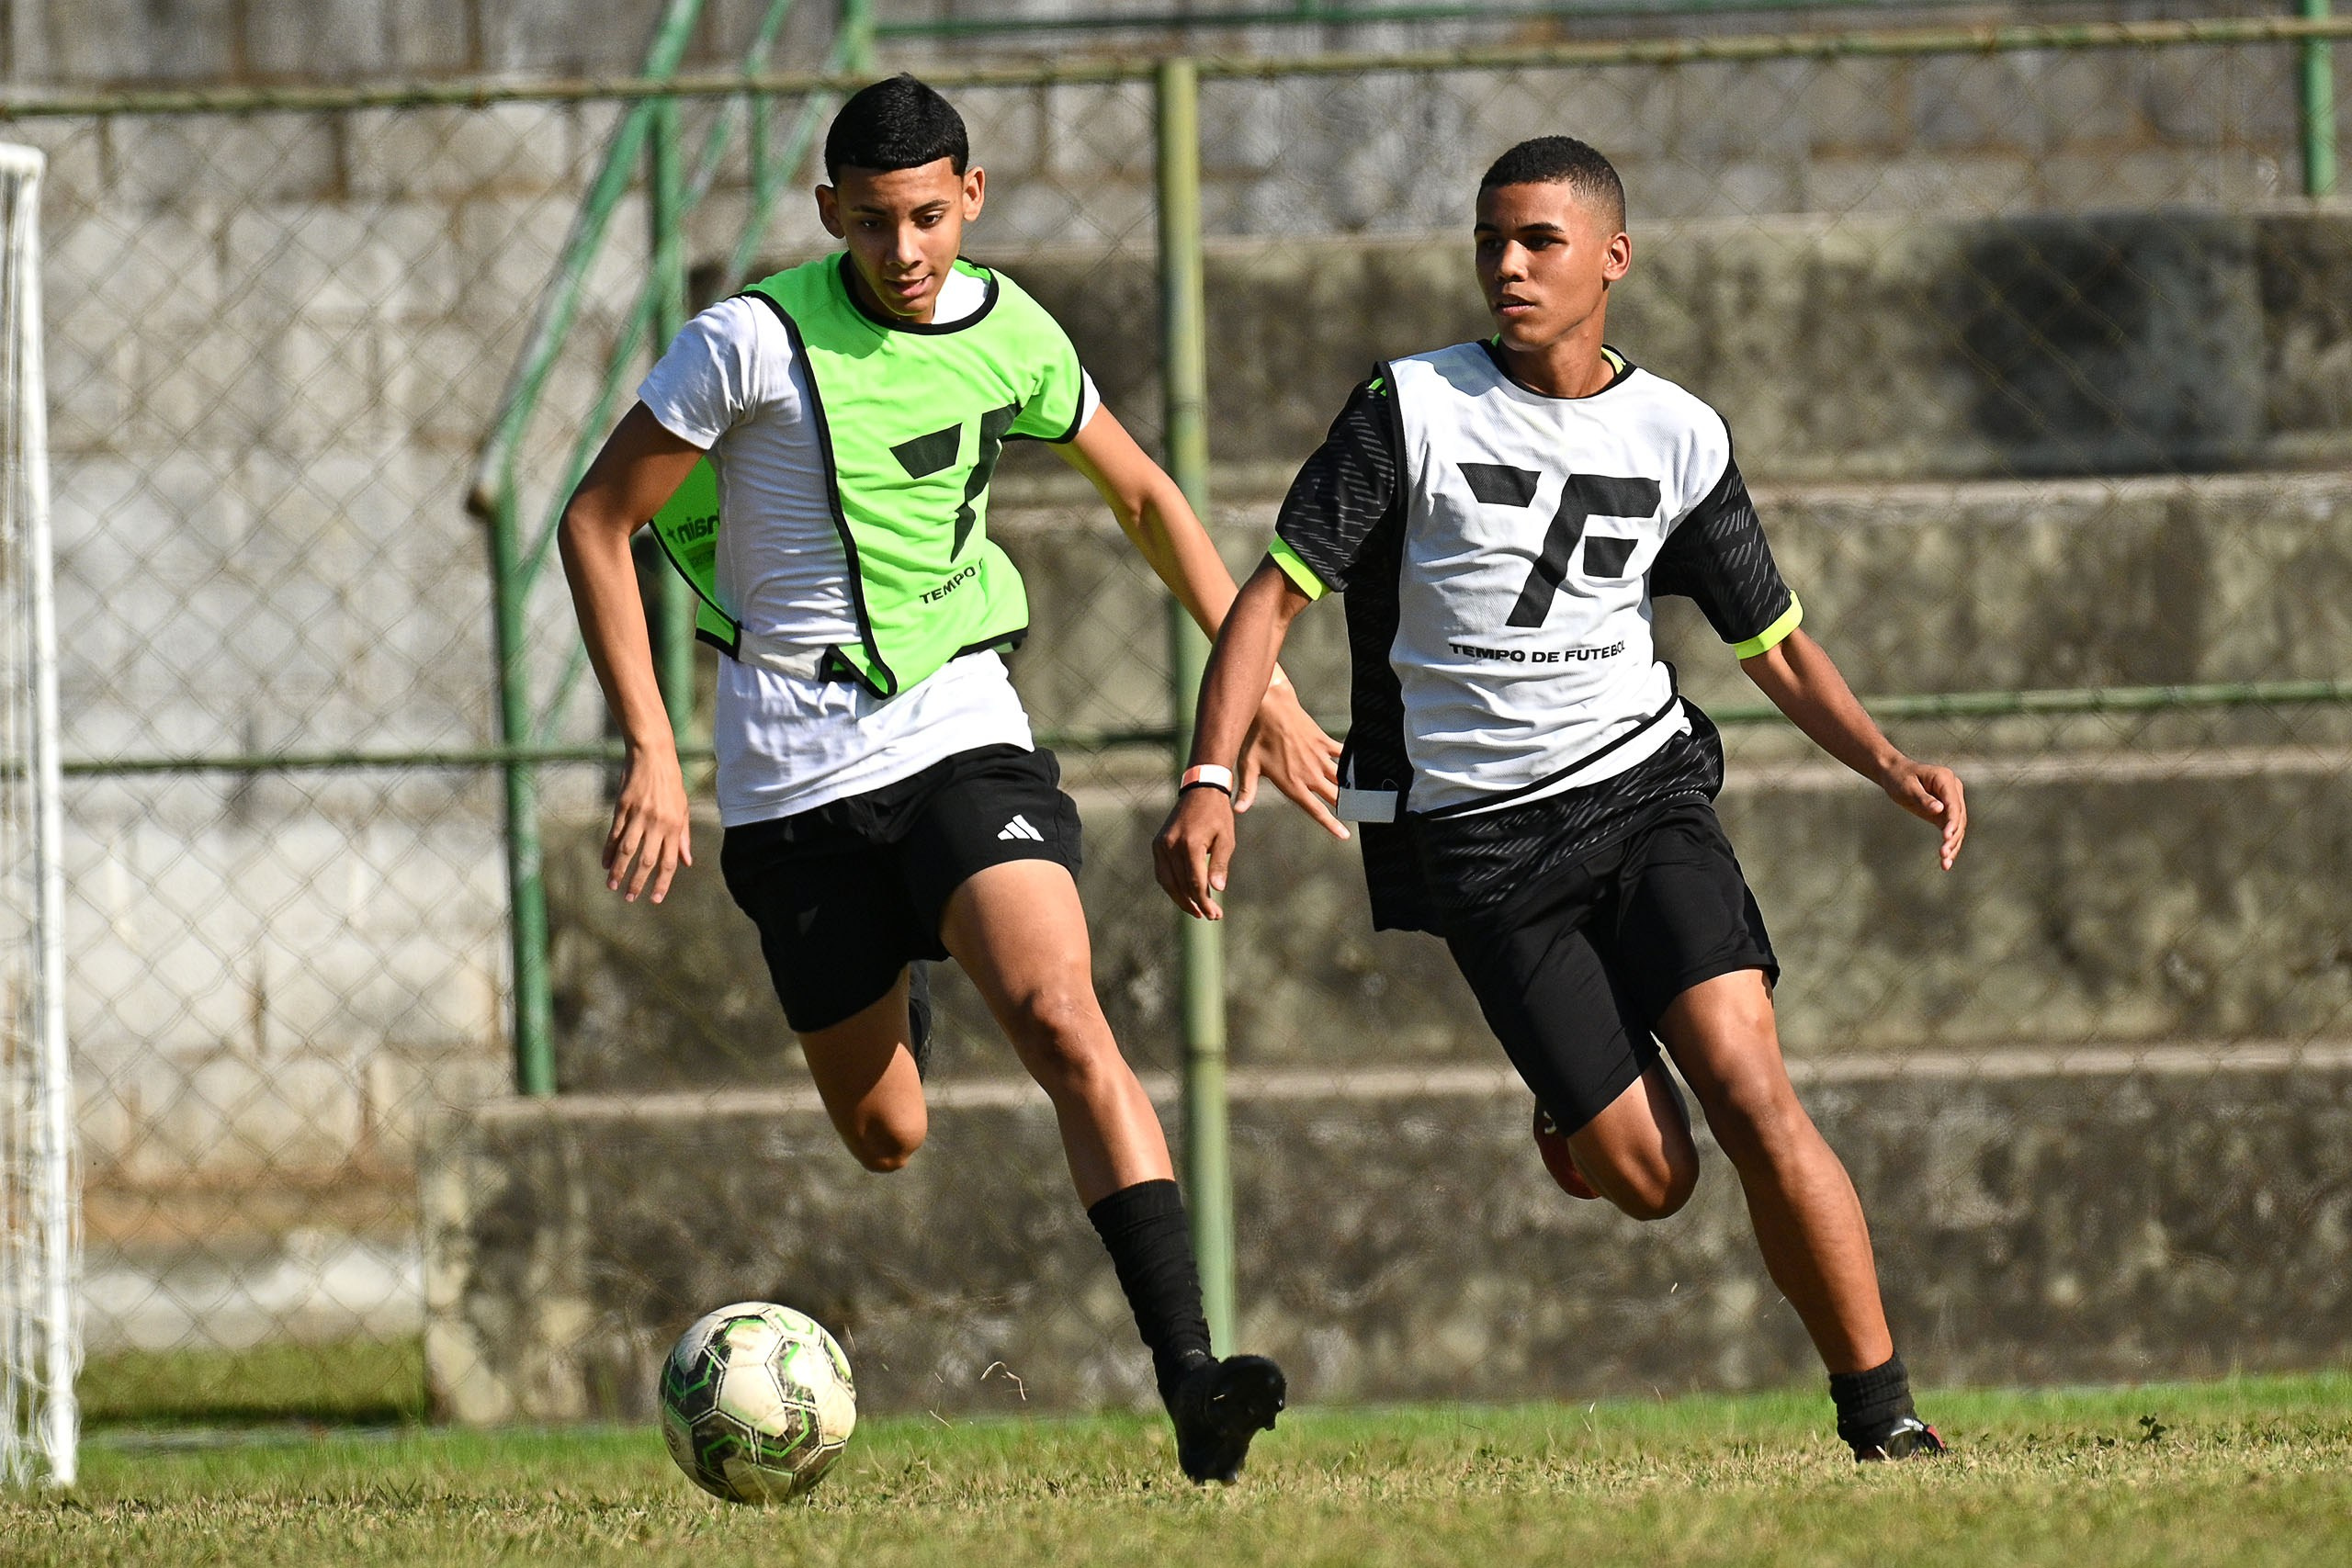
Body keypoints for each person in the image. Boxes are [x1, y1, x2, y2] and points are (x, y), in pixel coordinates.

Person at [560, 73, 1341, 1483]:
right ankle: (907, 950)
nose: (904, 250)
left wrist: (1267, 692)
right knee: (886, 1133)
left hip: (956, 732)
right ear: (829, 214)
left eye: (927, 216)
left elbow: (1145, 496)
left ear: (971, 197)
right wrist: (653, 747)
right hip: (792, 774)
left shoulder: (1012, 331)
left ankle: (1191, 1378)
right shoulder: (748, 342)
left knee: (1060, 1014)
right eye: (872, 223)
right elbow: (596, 521)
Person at [1153, 135, 1963, 1462]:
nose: (1509, 266)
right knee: (1655, 1180)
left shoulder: (1680, 432)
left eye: (1539, 240)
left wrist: (1888, 761)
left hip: (1645, 797)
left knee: (1753, 1087)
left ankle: (1886, 1421)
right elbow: (1268, 600)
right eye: (1491, 241)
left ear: (1613, 258)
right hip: (1481, 845)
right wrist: (1206, 775)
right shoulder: (1409, 406)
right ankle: (1573, 1106)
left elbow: (1773, 643)